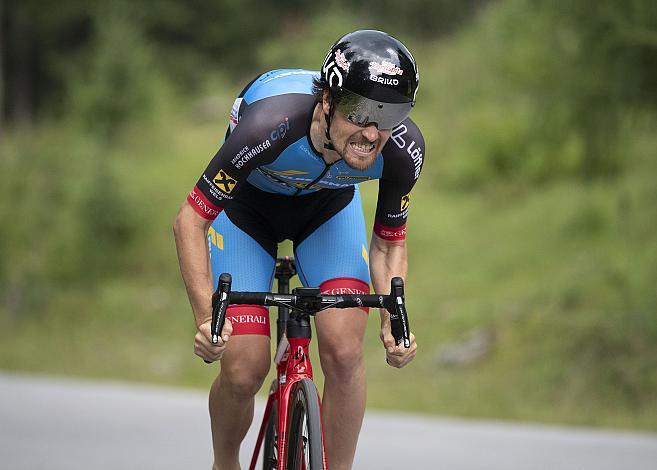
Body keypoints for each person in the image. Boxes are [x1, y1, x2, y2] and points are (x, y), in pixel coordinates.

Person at [173, 29, 422, 470]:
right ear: (327, 100)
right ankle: (225, 462)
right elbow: (191, 220)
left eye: (388, 115)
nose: (371, 131)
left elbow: (387, 245)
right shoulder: (272, 125)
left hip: (327, 213)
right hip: (246, 213)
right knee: (244, 369)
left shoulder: (402, 150)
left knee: (345, 352)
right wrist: (205, 319)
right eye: (359, 111)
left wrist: (393, 321)